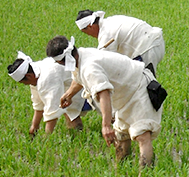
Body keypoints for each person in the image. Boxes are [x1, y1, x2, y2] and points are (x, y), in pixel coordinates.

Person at [48, 36, 164, 167]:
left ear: (64, 61)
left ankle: (145, 176)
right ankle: (121, 169)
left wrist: (106, 125)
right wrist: (69, 94)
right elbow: (78, 76)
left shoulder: (89, 67)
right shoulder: (80, 55)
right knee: (121, 134)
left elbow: (104, 93)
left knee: (142, 134)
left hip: (138, 88)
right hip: (125, 94)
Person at [7, 51, 87, 136]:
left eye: (24, 83)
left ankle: (78, 134)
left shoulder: (46, 77)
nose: (26, 85)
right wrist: (34, 126)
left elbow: (52, 109)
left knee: (67, 108)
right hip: (72, 85)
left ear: (29, 76)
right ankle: (77, 134)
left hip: (85, 83)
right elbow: (38, 103)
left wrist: (47, 137)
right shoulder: (35, 73)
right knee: (67, 107)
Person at [76, 10, 165, 75]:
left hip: (147, 48)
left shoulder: (106, 33)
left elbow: (101, 62)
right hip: (157, 42)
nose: (89, 35)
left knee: (144, 86)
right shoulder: (110, 21)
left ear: (90, 26)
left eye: (86, 32)